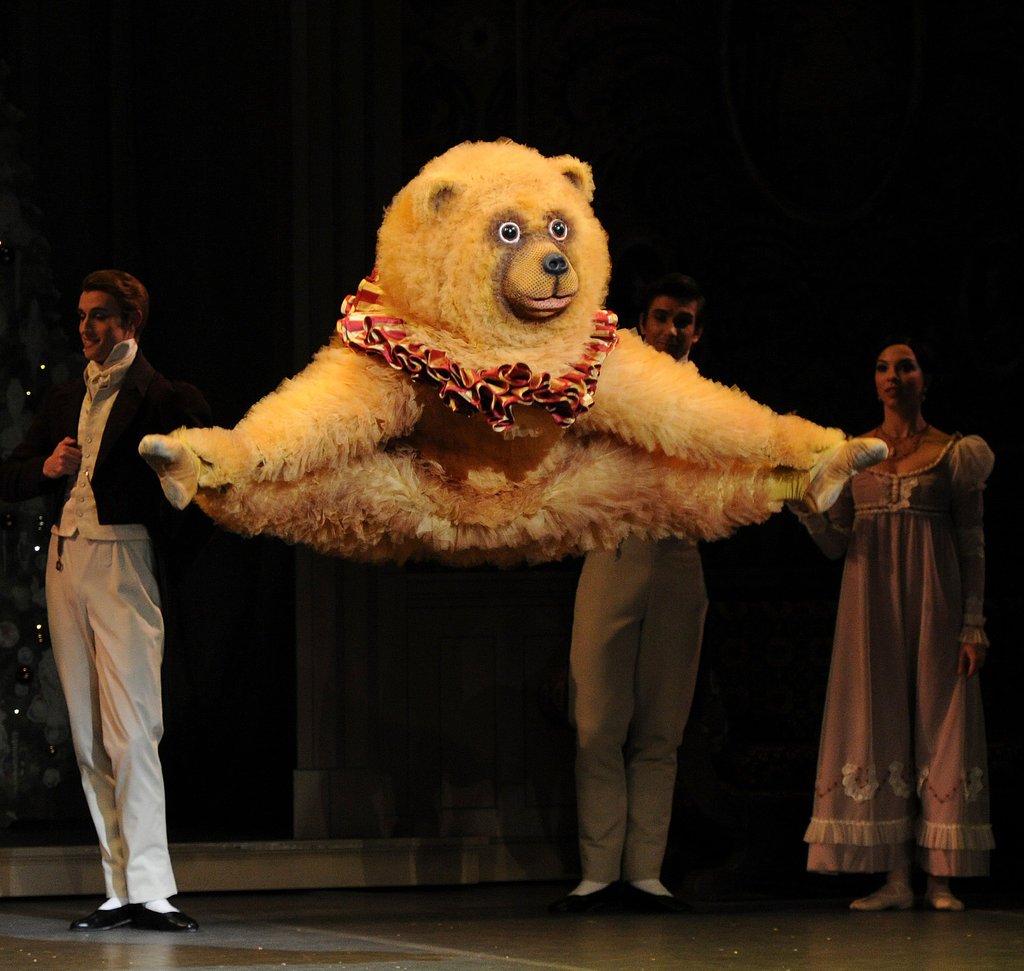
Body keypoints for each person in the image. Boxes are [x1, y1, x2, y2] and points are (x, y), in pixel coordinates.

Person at [0, 270, 210, 931]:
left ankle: (153, 889)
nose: (85, 327)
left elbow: (208, 483)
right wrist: (46, 469)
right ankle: (119, 888)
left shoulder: (164, 396)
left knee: (132, 727)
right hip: (67, 560)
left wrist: (161, 554)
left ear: (130, 322)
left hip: (123, 557)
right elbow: (10, 473)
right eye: (82, 315)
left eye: (98, 316)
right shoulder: (66, 398)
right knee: (90, 732)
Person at [792, 337, 994, 912]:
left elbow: (972, 542)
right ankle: (898, 879)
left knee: (940, 721)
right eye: (883, 367)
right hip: (870, 603)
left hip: (935, 602)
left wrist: (973, 624)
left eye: (905, 366)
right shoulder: (852, 453)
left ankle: (941, 879)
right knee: (876, 722)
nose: (893, 376)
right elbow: (836, 542)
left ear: (924, 379)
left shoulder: (954, 453)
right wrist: (806, 509)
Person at [550, 273, 709, 914]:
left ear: (698, 332)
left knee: (661, 727)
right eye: (663, 317)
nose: (672, 330)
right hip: (613, 551)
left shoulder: (709, 402)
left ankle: (644, 873)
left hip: (679, 557)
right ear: (642, 323)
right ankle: (598, 873)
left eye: (684, 321)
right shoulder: (608, 385)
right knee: (596, 724)